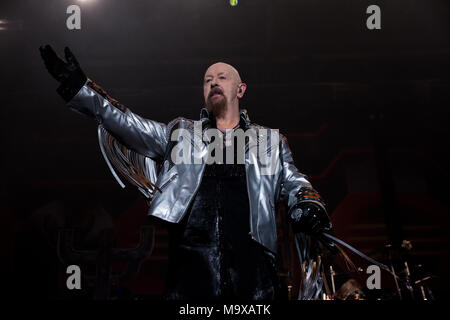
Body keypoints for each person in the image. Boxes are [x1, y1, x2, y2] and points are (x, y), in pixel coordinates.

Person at [39, 45, 334, 300]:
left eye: (222, 77)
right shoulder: (181, 132)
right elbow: (127, 122)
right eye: (207, 80)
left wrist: (307, 201)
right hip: (191, 263)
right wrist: (82, 88)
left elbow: (294, 180)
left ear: (240, 89)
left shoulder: (268, 140)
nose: (213, 82)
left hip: (254, 266)